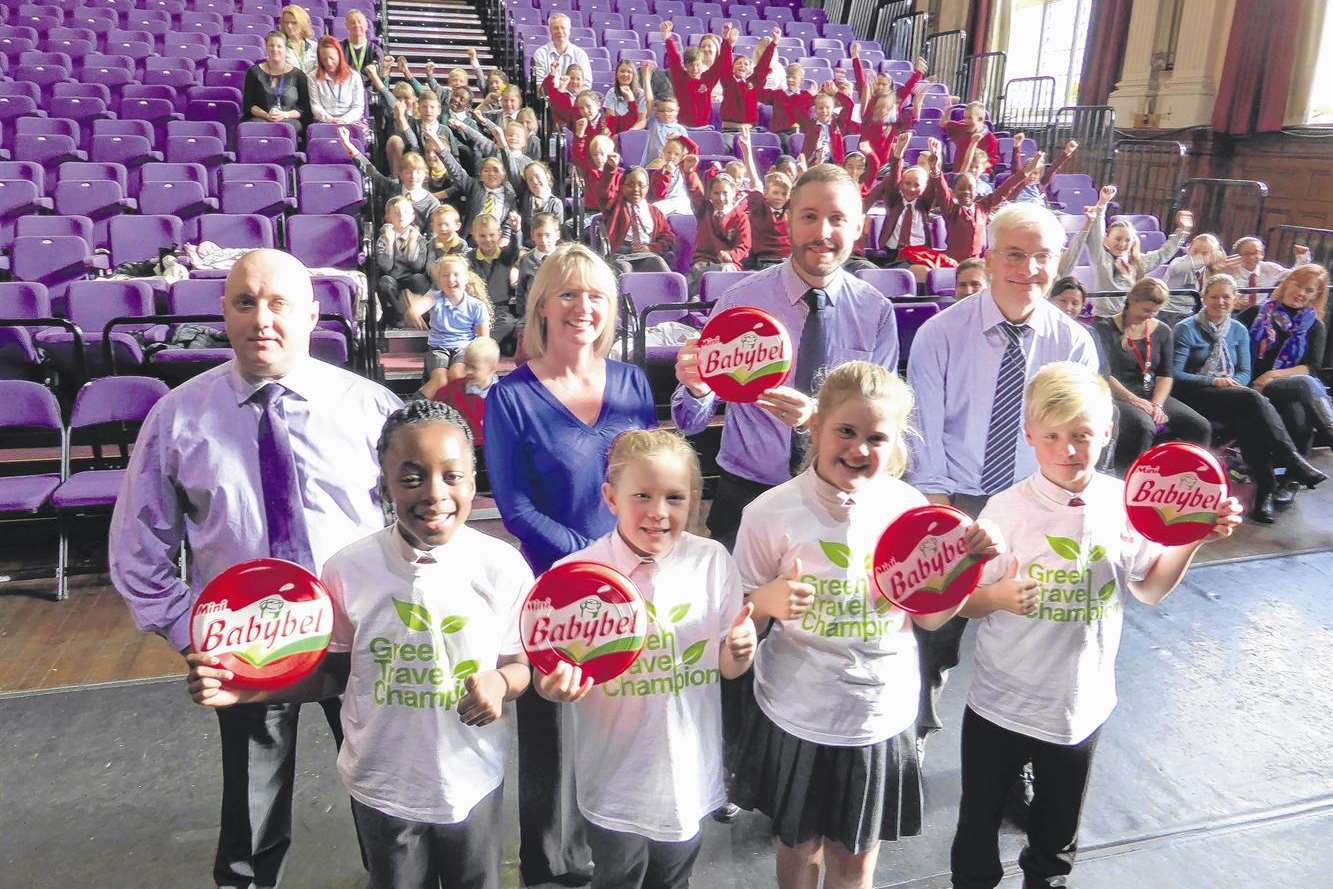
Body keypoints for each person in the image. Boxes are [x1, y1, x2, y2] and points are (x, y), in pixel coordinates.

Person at [109, 249, 402, 889]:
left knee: (385, 792)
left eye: (279, 303)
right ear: (224, 312)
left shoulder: (371, 410)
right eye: (245, 302)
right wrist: (197, 636)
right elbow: (138, 548)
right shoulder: (178, 417)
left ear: (314, 315)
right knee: (251, 803)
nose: (261, 319)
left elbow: (418, 523)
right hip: (247, 644)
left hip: (359, 637)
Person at [187, 399, 532, 889]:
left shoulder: (501, 566)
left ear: (474, 482)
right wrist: (242, 691)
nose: (435, 493)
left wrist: (500, 681)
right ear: (384, 487)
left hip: (471, 775)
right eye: (412, 477)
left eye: (452, 476)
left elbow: (520, 665)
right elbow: (332, 674)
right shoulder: (347, 569)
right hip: (381, 780)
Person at [950, 361, 1242, 889]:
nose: (1068, 451)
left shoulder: (1125, 505)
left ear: (1107, 433)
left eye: (1082, 436)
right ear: (1030, 436)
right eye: (1054, 437)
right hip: (1001, 702)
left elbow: (1149, 587)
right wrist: (994, 595)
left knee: (1055, 843)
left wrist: (1195, 537)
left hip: (1079, 706)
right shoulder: (1005, 510)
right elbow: (964, 602)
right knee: (978, 827)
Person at [732, 361, 1000, 889]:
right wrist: (763, 601)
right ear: (816, 429)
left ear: (896, 442)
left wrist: (967, 568)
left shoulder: (910, 510)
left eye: (876, 437)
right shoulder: (770, 513)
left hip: (879, 712)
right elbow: (740, 610)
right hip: (797, 709)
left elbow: (927, 616)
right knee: (799, 846)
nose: (858, 449)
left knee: (855, 858)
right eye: (846, 432)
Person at [483, 243, 656, 887]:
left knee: (623, 721)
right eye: (567, 293)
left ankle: (614, 852)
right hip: (553, 593)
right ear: (541, 308)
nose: (582, 306)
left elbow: (654, 473)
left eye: (596, 295)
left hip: (632, 586)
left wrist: (626, 567)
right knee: (551, 739)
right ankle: (548, 868)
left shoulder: (635, 383)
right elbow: (516, 506)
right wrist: (592, 567)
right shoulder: (510, 397)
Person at [905, 202, 1100, 760]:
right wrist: (943, 516)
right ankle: (916, 732)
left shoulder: (1074, 344)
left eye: (1042, 257)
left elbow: (1070, 437)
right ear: (989, 258)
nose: (1028, 269)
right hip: (956, 495)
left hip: (1033, 502)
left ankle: (1019, 757)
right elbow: (924, 430)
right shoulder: (940, 334)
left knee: (1027, 633)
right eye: (1014, 254)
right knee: (935, 634)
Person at [538, 429, 758, 889]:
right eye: (642, 495)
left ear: (694, 500)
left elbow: (727, 666)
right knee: (617, 876)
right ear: (611, 497)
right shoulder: (573, 576)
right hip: (614, 772)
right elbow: (550, 676)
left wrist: (740, 650)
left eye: (675, 498)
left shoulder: (712, 561)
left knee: (674, 877)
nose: (659, 512)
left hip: (688, 769)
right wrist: (553, 685)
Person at [673, 164, 901, 551]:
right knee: (745, 610)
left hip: (841, 497)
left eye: (838, 219)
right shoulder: (739, 303)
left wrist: (818, 417)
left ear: (859, 226)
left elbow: (884, 419)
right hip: (746, 495)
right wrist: (695, 390)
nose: (822, 233)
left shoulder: (875, 313)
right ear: (790, 221)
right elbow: (689, 423)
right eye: (809, 217)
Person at [1172, 274, 1326, 522]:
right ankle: (1294, 460)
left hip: (1235, 393)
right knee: (1254, 401)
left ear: (1235, 300)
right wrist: (1214, 381)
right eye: (1214, 296)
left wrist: (1235, 386)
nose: (1220, 302)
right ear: (1204, 298)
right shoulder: (1187, 328)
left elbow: (1244, 371)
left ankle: (1266, 490)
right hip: (1195, 392)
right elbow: (1176, 374)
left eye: (1226, 297)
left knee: (1254, 418)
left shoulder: (1238, 329)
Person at [1091, 278, 1211, 475]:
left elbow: (1165, 374)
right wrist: (1135, 400)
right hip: (1119, 394)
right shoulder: (1103, 328)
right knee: (1144, 426)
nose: (1150, 316)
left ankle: (1188, 479)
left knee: (1200, 427)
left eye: (1155, 312)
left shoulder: (1162, 330)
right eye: (1146, 310)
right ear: (1131, 300)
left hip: (1151, 394)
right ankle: (1127, 481)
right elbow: (1105, 374)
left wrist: (1157, 405)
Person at [1237, 263, 1333, 469]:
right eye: (1298, 285)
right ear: (1286, 283)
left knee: (1297, 413)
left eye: (1309, 290)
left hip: (1282, 385)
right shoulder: (1256, 313)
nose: (1301, 293)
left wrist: (1272, 374)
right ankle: (1329, 432)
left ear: (1316, 296)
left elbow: (1311, 367)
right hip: (1251, 384)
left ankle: (1290, 478)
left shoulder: (1315, 326)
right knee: (1303, 393)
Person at [1060, 185, 1193, 317]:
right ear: (1107, 240)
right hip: (1103, 318)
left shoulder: (1138, 261)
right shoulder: (1101, 257)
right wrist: (1102, 204)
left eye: (1127, 240)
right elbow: (1097, 230)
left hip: (1129, 318)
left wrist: (1183, 231)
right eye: (1118, 239)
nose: (1122, 244)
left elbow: (1163, 254)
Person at [927, 133, 1043, 263]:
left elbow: (1005, 189)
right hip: (953, 263)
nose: (966, 192)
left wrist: (1025, 173)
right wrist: (935, 168)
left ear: (976, 192)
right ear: (954, 192)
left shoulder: (983, 207)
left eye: (970, 189)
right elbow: (942, 190)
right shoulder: (951, 210)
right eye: (961, 189)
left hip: (977, 263)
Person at [405, 254, 490, 394]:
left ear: (466, 278)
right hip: (438, 348)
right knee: (440, 380)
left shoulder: (476, 306)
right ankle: (414, 408)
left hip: (464, 348)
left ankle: (457, 409)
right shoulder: (434, 297)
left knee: (457, 376)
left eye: (456, 275)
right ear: (439, 280)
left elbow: (483, 339)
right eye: (445, 275)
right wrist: (413, 312)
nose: (451, 279)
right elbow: (415, 310)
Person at [594, 156, 676, 276]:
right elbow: (604, 192)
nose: (636, 189)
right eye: (630, 185)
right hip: (621, 254)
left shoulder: (654, 212)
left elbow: (668, 237)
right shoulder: (615, 205)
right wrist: (610, 169)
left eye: (641, 185)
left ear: (647, 188)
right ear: (622, 187)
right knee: (624, 270)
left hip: (646, 253)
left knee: (658, 263)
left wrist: (651, 248)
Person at [684, 168, 751, 296]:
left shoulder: (740, 217)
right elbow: (695, 192)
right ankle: (698, 301)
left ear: (734, 193)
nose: (721, 198)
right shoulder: (704, 210)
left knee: (725, 273)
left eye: (725, 193)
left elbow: (744, 245)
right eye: (716, 193)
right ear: (710, 194)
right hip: (704, 262)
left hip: (728, 264)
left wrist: (730, 255)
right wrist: (690, 172)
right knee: (698, 275)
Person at [430, 335, 501, 448]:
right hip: (462, 448)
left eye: (474, 367)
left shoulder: (503, 396)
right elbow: (434, 411)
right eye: (466, 365)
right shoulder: (452, 390)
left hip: (492, 450)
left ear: (492, 368)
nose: (468, 371)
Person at [661, 20, 732, 128]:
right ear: (685, 65)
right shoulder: (680, 77)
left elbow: (720, 63)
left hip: (704, 128)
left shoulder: (707, 79)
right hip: (683, 128)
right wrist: (667, 38)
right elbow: (674, 58)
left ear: (701, 63)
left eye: (698, 65)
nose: (695, 69)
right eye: (691, 65)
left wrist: (726, 40)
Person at [375, 195, 431, 328]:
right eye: (396, 213)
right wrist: (389, 243)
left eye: (405, 212)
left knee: (420, 279)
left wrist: (412, 243)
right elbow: (386, 267)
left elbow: (417, 266)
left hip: (411, 278)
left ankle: (421, 313)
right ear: (387, 217)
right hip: (393, 278)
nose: (401, 216)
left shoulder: (418, 238)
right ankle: (402, 314)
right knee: (385, 282)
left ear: (412, 217)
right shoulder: (383, 239)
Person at [243, 31, 314, 135]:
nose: (274, 49)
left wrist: (285, 115)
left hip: (289, 120)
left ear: (286, 49)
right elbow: (248, 105)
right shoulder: (254, 72)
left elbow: (304, 109)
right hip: (261, 118)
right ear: (266, 48)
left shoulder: (298, 75)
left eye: (279, 46)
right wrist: (266, 115)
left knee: (287, 129)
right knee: (253, 127)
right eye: (271, 45)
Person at [1224, 236, 1313, 308]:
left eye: (1256, 253)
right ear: (1237, 256)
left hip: (1261, 313)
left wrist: (1302, 258)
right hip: (1235, 312)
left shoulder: (1270, 268)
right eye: (1247, 254)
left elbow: (1294, 275)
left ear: (1262, 254)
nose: (1251, 257)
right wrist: (1233, 301)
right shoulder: (1230, 271)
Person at [1162, 233, 1227, 327]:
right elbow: (1178, 269)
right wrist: (1203, 259)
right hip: (1170, 311)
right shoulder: (1178, 262)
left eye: (1204, 253)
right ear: (1188, 249)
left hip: (1192, 312)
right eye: (1195, 251)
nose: (1198, 256)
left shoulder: (1209, 270)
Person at [309, 36, 367, 132]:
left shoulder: (354, 76)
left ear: (339, 56)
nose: (329, 63)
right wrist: (330, 120)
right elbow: (316, 106)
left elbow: (358, 107)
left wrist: (344, 120)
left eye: (332, 58)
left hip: (350, 120)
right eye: (324, 59)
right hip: (324, 121)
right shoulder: (313, 77)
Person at [531, 12, 592, 86]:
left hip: (575, 97)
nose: (560, 31)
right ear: (550, 31)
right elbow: (539, 84)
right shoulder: (540, 54)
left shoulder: (580, 54)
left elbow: (586, 84)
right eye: (556, 28)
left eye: (563, 27)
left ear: (569, 30)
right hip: (549, 96)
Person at [340, 9, 381, 81]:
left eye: (359, 22)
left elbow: (378, 76)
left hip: (367, 90)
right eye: (352, 22)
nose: (356, 25)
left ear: (366, 25)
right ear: (346, 26)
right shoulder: (339, 48)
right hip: (344, 88)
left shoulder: (375, 50)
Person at [280, 5, 317, 75]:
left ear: (302, 24)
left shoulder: (314, 46)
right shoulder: (279, 46)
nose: (289, 26)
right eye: (286, 22)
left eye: (294, 23)